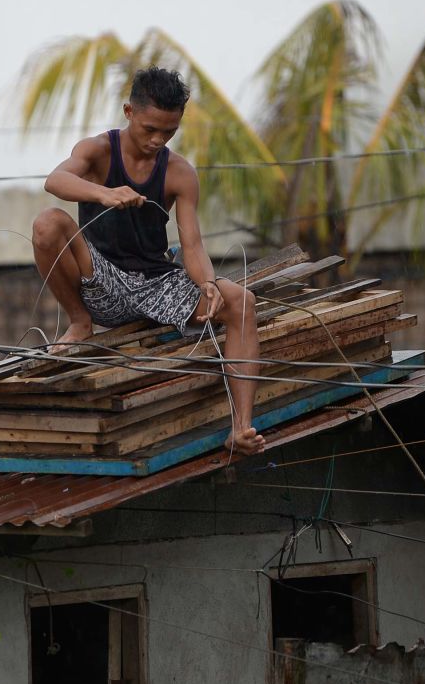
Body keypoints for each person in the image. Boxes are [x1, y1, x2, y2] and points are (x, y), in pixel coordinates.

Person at [32, 67, 265, 455]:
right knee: (46, 224)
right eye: (150, 129)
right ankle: (79, 322)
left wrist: (207, 281)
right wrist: (103, 194)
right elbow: (55, 181)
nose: (158, 140)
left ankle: (240, 428)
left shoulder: (180, 173)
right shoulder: (97, 151)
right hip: (101, 279)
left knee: (241, 300)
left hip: (156, 283)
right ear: (129, 112)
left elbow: (191, 245)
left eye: (169, 132)